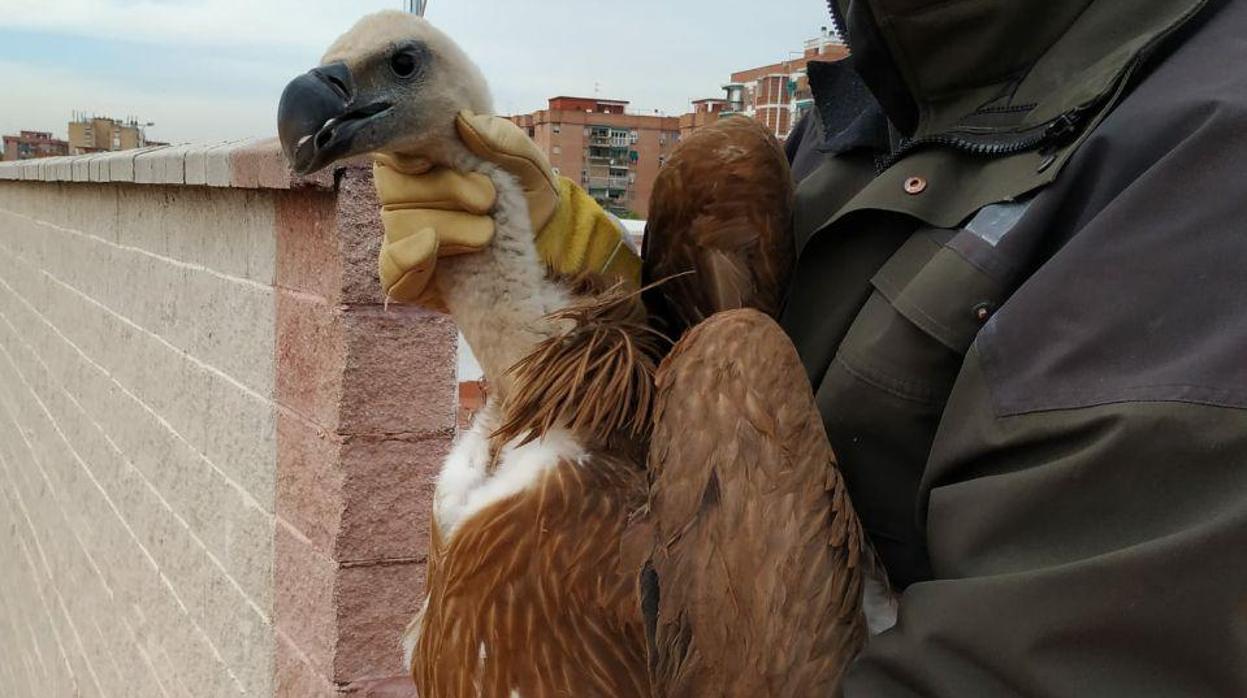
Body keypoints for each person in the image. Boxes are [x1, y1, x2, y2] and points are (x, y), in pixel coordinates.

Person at [376, 0, 1247, 694]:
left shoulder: (1205, 148)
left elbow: (1090, 644)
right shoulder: (855, 122)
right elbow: (689, 463)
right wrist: (582, 292)